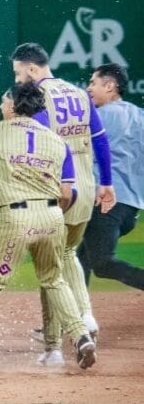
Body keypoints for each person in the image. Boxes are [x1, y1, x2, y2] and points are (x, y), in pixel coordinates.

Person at [0, 83, 98, 376]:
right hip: (52, 216)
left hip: (15, 216)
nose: (0, 106)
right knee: (54, 279)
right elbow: (67, 193)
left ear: (13, 104)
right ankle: (80, 335)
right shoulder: (55, 140)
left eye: (3, 100)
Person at [11, 42, 114, 348]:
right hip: (85, 184)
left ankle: (59, 336)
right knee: (67, 255)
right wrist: (106, 182)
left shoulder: (37, 98)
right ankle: (84, 316)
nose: (17, 80)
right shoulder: (80, 93)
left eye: (19, 72)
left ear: (32, 68)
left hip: (57, 188)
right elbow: (101, 140)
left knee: (51, 263)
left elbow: (37, 145)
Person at [78, 64, 144, 293]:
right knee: (81, 257)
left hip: (106, 202)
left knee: (102, 263)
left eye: (93, 83)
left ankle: (75, 318)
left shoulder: (96, 117)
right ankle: (75, 318)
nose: (88, 88)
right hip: (131, 207)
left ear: (110, 86)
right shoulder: (139, 115)